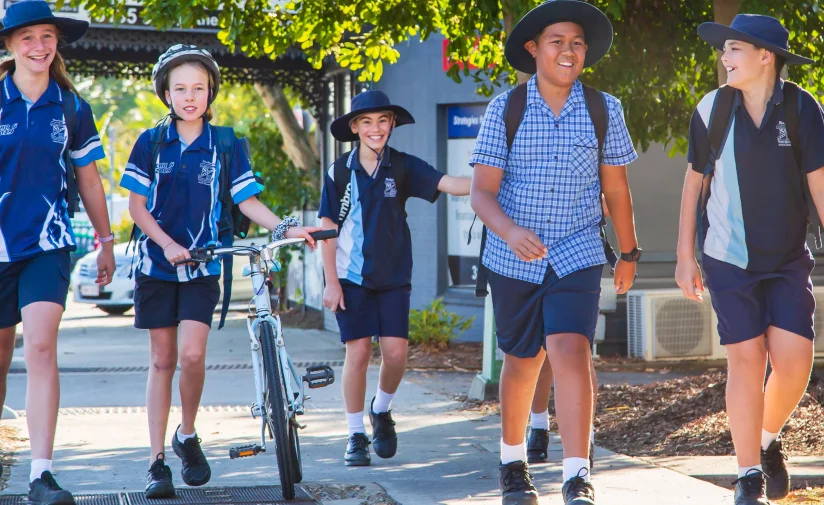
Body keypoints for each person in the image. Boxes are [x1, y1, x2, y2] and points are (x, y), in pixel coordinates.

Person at [119, 44, 321, 498]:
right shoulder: (150, 143)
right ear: (165, 94)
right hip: (156, 266)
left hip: (204, 267)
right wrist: (168, 244)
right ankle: (156, 463)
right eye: (180, 89)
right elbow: (137, 207)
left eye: (199, 88)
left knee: (191, 357)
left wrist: (288, 227)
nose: (190, 96)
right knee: (162, 360)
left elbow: (246, 201)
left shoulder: (227, 143)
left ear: (211, 93)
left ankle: (187, 435)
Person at [470, 1, 641, 503]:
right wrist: (509, 230)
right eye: (556, 41)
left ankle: (575, 473)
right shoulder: (507, 107)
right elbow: (482, 192)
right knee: (521, 361)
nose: (568, 51)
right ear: (533, 49)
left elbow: (617, 191)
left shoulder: (604, 108)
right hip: (514, 258)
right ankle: (512, 463)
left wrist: (628, 254)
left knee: (571, 350)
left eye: (577, 43)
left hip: (578, 250)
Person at [676, 14, 824, 505]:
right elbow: (693, 182)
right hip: (728, 257)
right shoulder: (712, 108)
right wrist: (683, 255)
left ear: (766, 57)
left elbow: (820, 187)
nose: (724, 57)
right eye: (725, 49)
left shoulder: (804, 109)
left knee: (795, 360)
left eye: (734, 48)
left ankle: (764, 440)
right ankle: (748, 478)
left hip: (785, 257)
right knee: (745, 358)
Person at [0, 1, 116, 503]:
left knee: (41, 348)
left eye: (47, 36)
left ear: (57, 42)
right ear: (9, 45)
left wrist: (107, 242)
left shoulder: (72, 107)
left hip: (49, 244)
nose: (39, 46)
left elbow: (88, 177)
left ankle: (41, 473)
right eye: (28, 38)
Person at [319, 90, 471, 467]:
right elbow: (327, 229)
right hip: (350, 278)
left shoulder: (402, 166)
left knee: (397, 354)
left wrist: (492, 178)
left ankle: (381, 410)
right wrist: (331, 281)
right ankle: (355, 434)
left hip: (394, 277)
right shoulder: (339, 171)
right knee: (357, 353)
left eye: (382, 121)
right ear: (354, 127)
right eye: (366, 122)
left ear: (392, 124)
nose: (375, 128)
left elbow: (449, 183)